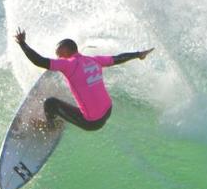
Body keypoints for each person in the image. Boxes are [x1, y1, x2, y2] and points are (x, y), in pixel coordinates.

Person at [14, 29, 153, 131]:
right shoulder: (94, 60)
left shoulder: (67, 64)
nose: (58, 59)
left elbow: (39, 61)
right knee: (80, 92)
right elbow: (117, 59)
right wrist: (138, 54)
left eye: (59, 55)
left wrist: (22, 44)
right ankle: (69, 114)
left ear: (66, 53)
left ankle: (50, 126)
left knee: (50, 103)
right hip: (108, 110)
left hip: (93, 122)